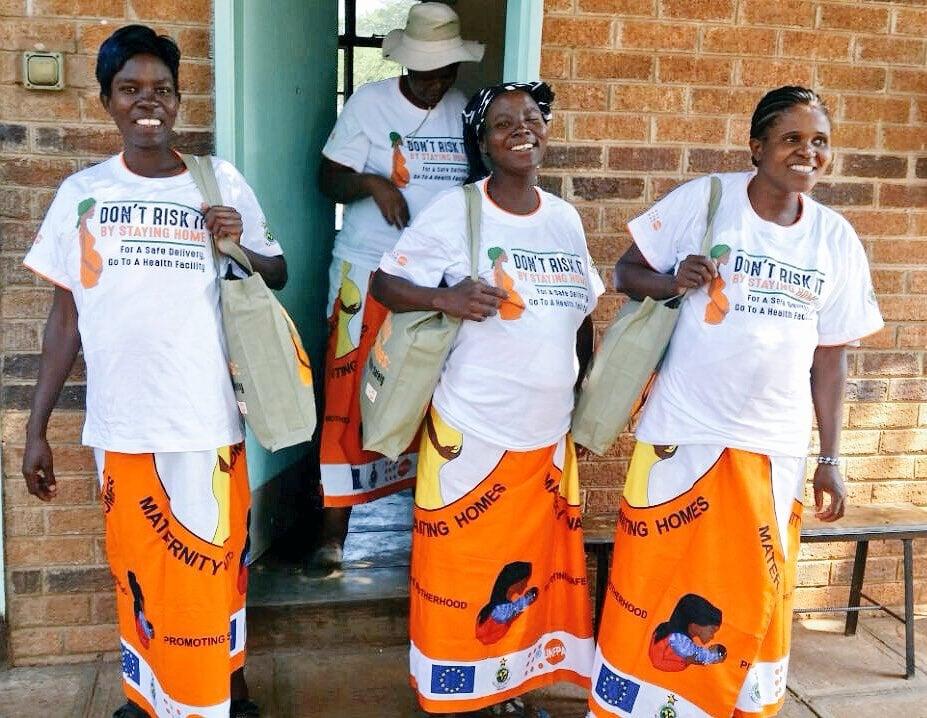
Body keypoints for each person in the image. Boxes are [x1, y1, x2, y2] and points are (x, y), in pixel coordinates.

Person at [588, 86, 884, 718]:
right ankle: (630, 704)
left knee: (753, 590)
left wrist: (832, 457)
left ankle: (737, 705)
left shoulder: (835, 239)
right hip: (682, 433)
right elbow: (623, 273)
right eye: (792, 138)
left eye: (820, 141)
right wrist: (673, 280)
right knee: (654, 578)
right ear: (757, 146)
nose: (808, 152)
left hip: (771, 449)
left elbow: (831, 357)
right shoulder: (708, 200)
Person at [20, 25, 287, 718]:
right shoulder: (84, 193)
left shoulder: (216, 179)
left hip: (205, 419)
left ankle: (218, 688)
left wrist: (235, 238)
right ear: (106, 100)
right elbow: (64, 319)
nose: (148, 103)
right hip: (124, 423)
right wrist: (36, 428)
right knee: (140, 569)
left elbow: (277, 271)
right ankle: (153, 693)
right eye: (130, 90)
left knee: (208, 562)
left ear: (178, 98)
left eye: (161, 90)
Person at [372, 81, 603, 717]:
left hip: (546, 440)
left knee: (527, 575)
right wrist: (446, 298)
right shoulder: (458, 211)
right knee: (463, 569)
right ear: (483, 142)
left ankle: (511, 684)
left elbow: (581, 314)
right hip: (472, 432)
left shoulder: (563, 219)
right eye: (504, 123)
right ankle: (457, 691)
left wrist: (584, 387)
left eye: (531, 118)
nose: (521, 129)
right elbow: (385, 282)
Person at [316, 2, 485, 568]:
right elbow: (325, 178)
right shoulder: (368, 104)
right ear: (405, 65)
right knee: (350, 397)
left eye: (443, 73)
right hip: (365, 272)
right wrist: (371, 182)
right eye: (423, 72)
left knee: (433, 394)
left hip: (436, 281)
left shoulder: (464, 112)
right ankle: (333, 535)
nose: (433, 83)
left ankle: (432, 522)